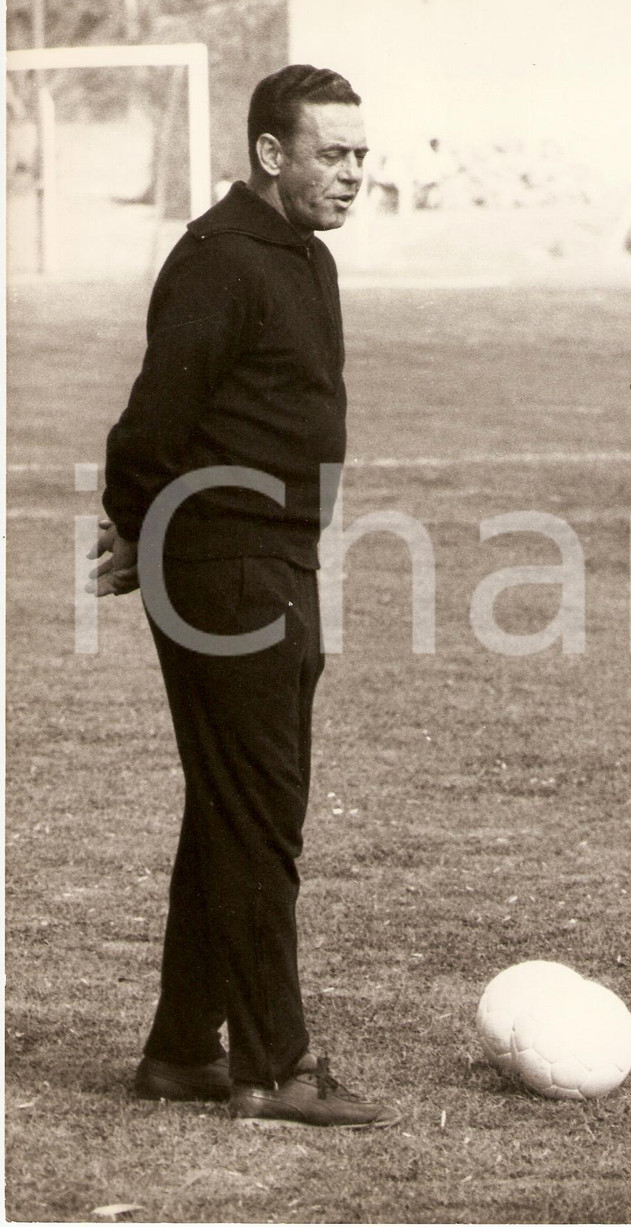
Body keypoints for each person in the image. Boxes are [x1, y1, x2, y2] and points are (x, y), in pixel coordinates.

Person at [89, 64, 401, 1130]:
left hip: (273, 559)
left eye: (362, 155)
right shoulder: (221, 259)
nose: (354, 174)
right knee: (263, 815)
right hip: (225, 567)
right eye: (333, 154)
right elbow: (150, 424)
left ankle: (183, 1049)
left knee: (234, 808)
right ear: (271, 153)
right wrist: (143, 527)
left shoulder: (299, 254)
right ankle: (277, 1063)